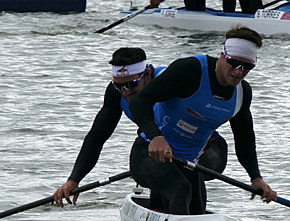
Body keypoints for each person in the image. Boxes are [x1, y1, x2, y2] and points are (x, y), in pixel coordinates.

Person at [128, 25, 277, 216]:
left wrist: (256, 177)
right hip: (148, 153)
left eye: (247, 66)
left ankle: (167, 218)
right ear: (223, 55)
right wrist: (156, 136)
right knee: (180, 189)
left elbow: (244, 139)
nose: (239, 72)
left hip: (188, 163)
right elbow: (140, 102)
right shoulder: (190, 70)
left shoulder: (242, 93)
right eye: (234, 63)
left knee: (196, 209)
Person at [53, 47, 228, 207]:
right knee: (172, 181)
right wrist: (73, 180)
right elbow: (97, 137)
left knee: (186, 186)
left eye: (132, 84)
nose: (126, 92)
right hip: (159, 147)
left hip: (206, 148)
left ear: (147, 73)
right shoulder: (116, 93)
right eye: (119, 85)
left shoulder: (169, 81)